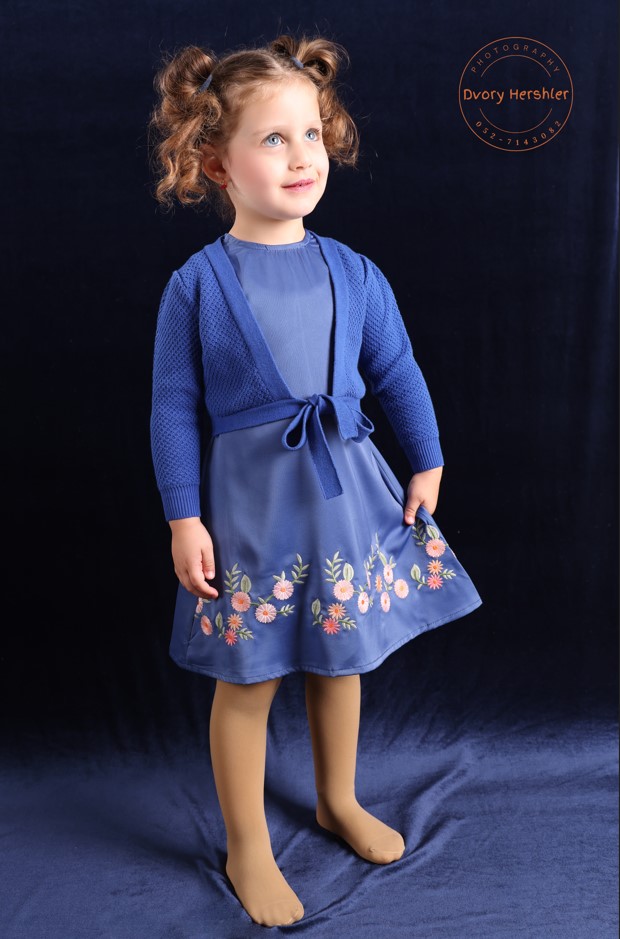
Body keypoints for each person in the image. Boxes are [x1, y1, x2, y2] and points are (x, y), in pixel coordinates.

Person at [148, 33, 482, 927]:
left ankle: (338, 798)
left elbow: (397, 371)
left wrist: (427, 457)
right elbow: (173, 407)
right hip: (251, 512)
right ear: (216, 163)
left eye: (311, 134)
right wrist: (184, 517)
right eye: (273, 139)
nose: (302, 156)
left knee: (344, 654)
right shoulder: (197, 286)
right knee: (248, 677)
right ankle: (248, 844)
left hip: (345, 501)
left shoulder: (355, 273)